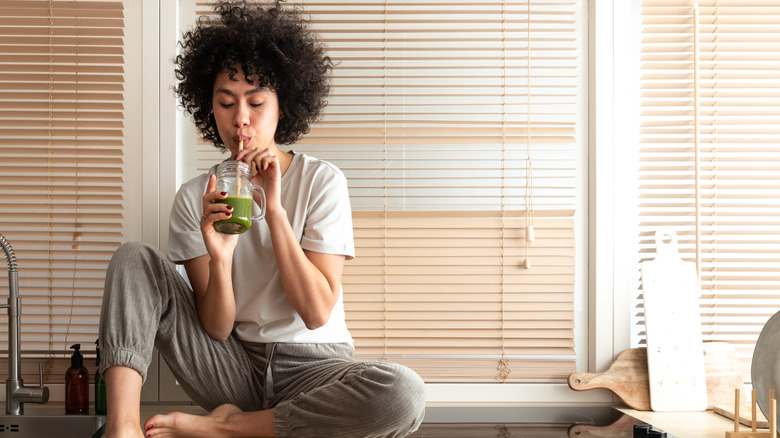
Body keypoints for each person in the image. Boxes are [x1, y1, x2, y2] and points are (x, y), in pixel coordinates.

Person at [97, 2, 426, 437]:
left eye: (256, 102)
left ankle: (229, 428)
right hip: (233, 366)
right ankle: (123, 430)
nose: (241, 120)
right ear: (209, 108)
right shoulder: (196, 197)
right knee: (133, 257)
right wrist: (219, 256)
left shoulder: (321, 181)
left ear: (282, 106)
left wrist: (274, 210)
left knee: (403, 393)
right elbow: (216, 327)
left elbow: (314, 312)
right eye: (226, 103)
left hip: (316, 368)